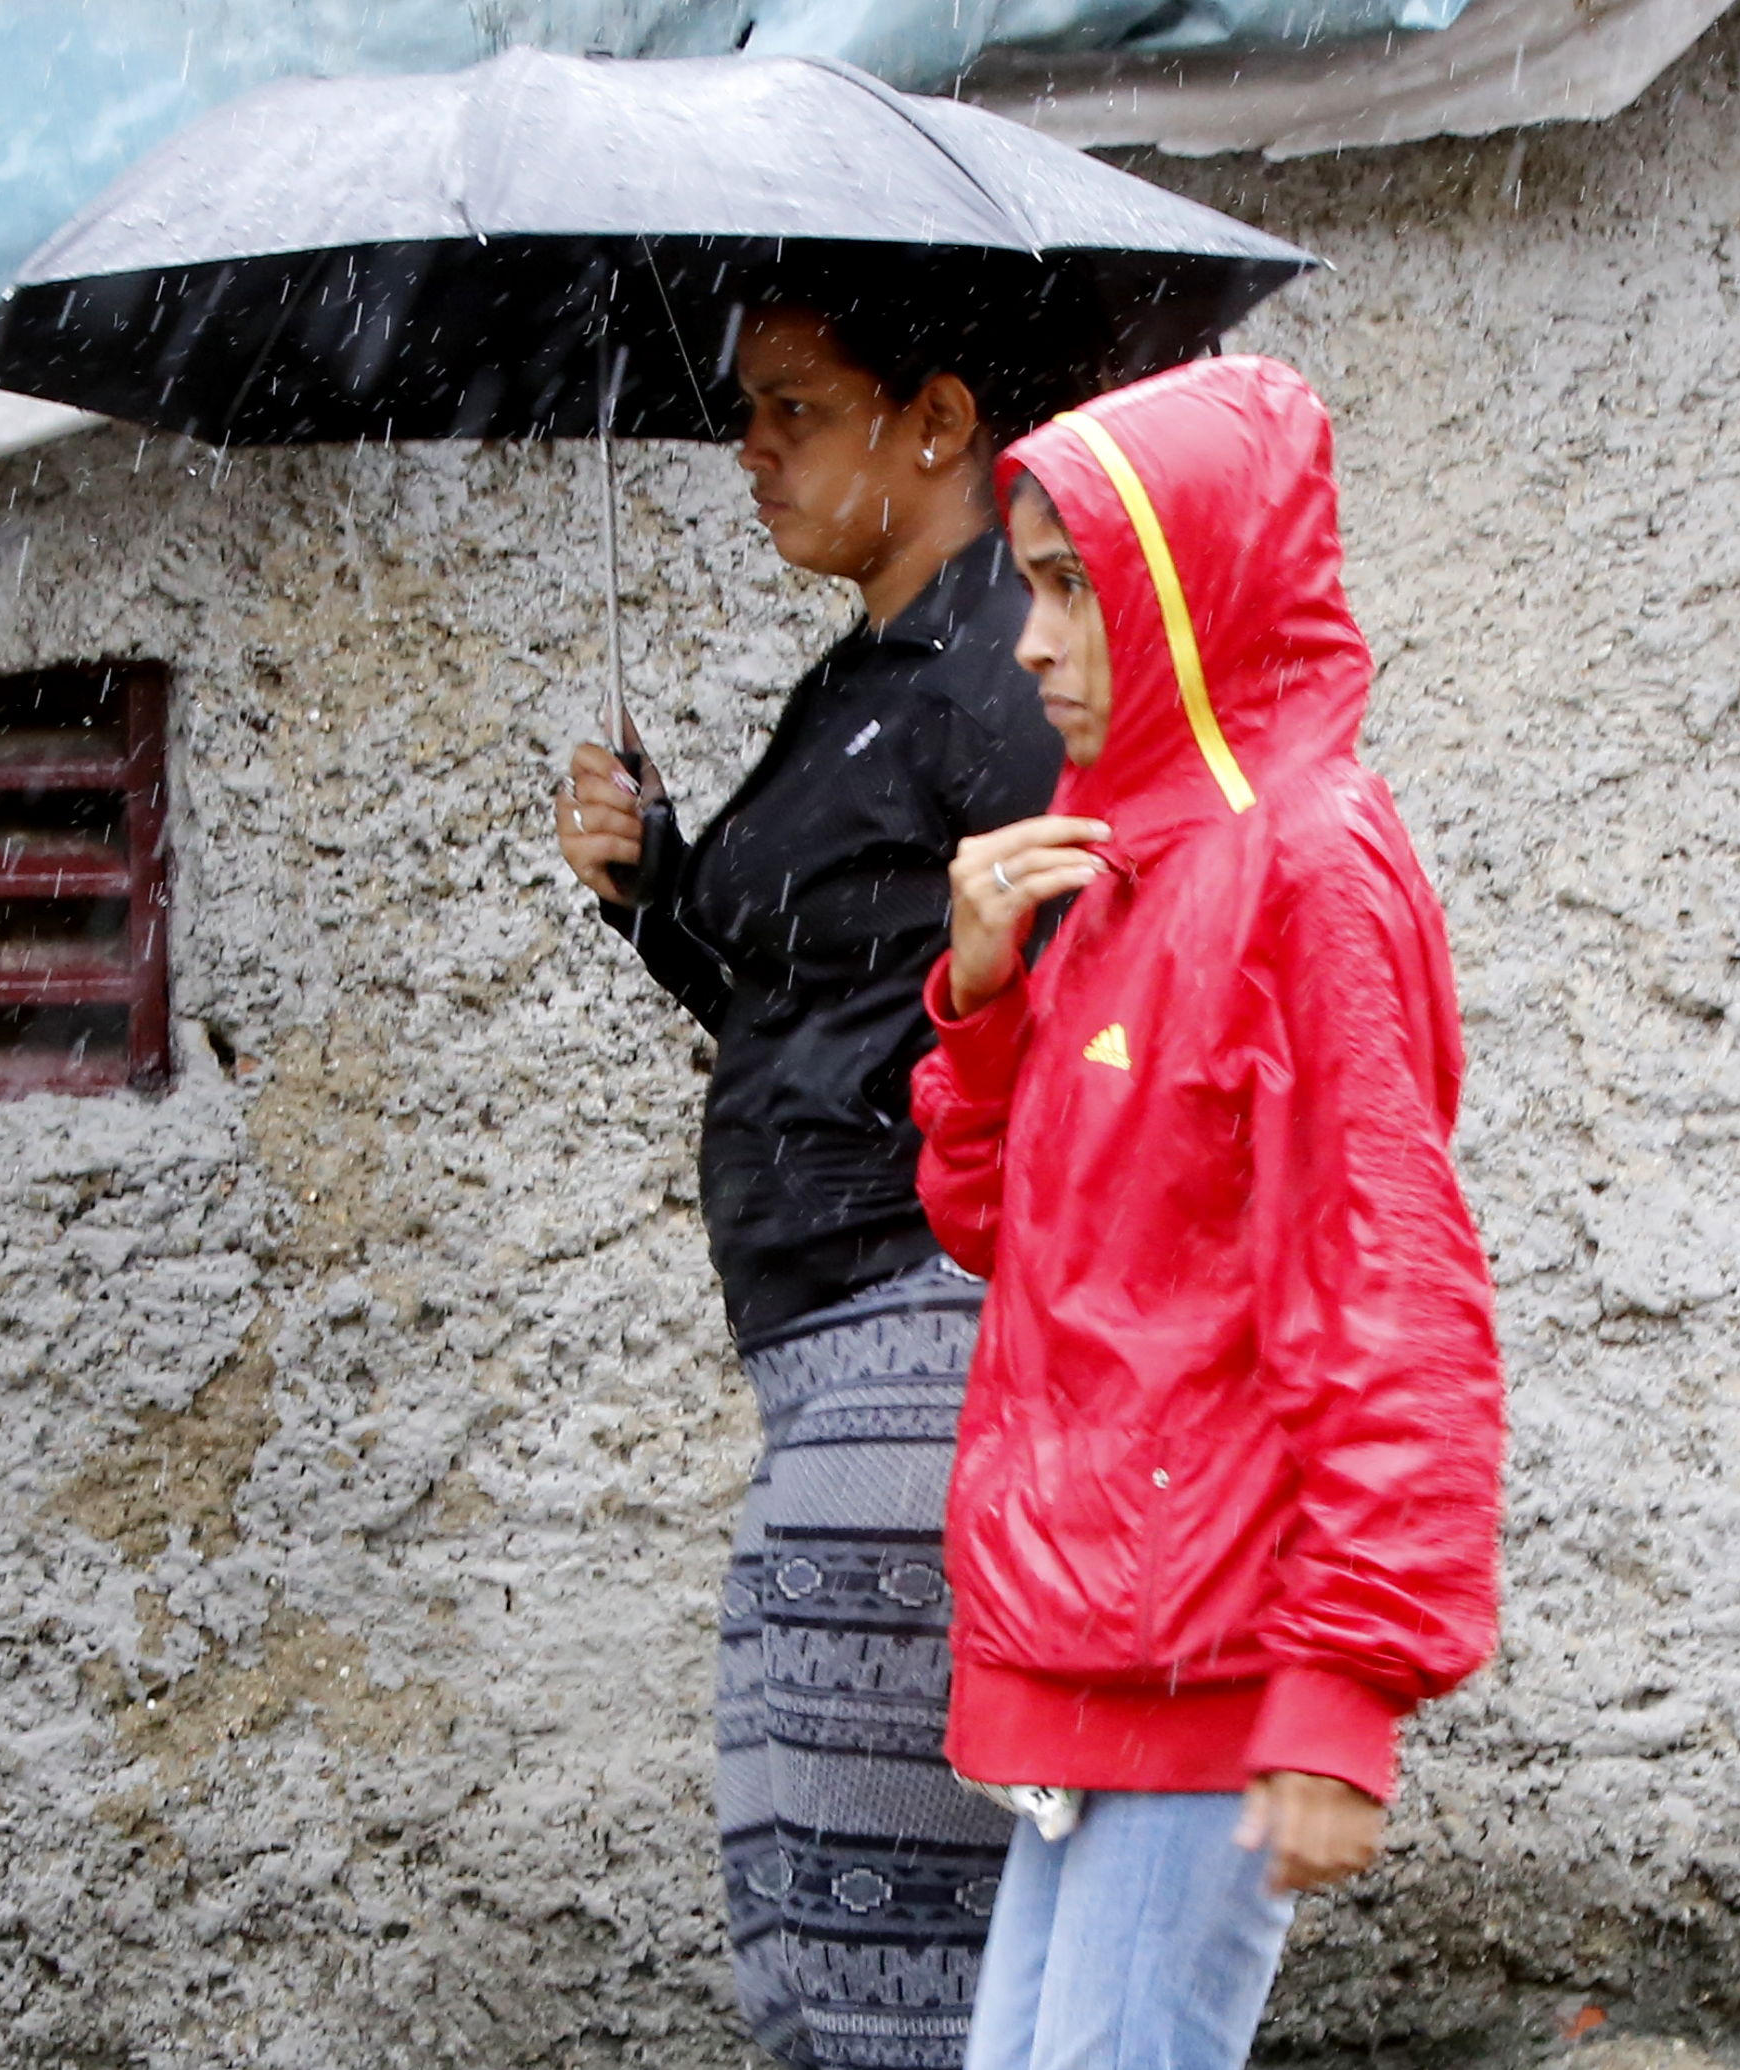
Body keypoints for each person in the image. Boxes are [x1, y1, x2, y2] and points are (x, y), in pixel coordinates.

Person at [908, 355, 1507, 2070]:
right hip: (1096, 1664)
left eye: (1072, 586)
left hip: (1212, 1670)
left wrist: (1342, 1689)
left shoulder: (1309, 866)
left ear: (1192, 589)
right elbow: (1005, 1240)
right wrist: (984, 992)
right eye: (1028, 585)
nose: (1030, 642)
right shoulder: (1116, 863)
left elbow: (1389, 1284)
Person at [554, 294, 1079, 2070]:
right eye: (742, 409)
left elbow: (1060, 1004)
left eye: (792, 407)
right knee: (800, 1910)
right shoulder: (868, 674)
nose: (750, 449)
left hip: (920, 1326)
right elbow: (801, 991)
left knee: (892, 1928)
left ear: (937, 418)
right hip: (826, 1354)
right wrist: (654, 882)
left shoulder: (1002, 673)